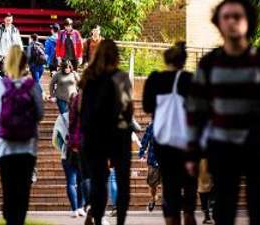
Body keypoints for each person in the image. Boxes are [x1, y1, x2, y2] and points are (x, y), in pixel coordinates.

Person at [187, 0, 260, 225]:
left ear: (249, 22)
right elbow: (196, 110)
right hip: (222, 145)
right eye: (225, 17)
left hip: (258, 144)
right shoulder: (209, 63)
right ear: (218, 23)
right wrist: (192, 151)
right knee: (224, 208)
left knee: (259, 208)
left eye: (237, 16)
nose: (231, 22)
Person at [0, 45, 44, 225]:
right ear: (24, 64)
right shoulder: (32, 86)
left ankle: (10, 218)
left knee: (9, 188)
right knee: (23, 189)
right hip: (28, 145)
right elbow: (40, 113)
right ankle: (18, 219)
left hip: (5, 146)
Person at [143, 42, 197, 225]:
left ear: (166, 59)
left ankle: (172, 216)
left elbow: (147, 106)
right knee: (189, 185)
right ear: (184, 60)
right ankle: (189, 212)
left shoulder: (155, 79)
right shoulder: (192, 80)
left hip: (164, 142)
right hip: (188, 142)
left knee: (170, 187)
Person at [80, 39, 133, 225]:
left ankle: (96, 215)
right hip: (118, 135)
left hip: (94, 136)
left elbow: (83, 111)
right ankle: (120, 220)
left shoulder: (88, 78)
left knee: (98, 182)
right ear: (116, 56)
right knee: (122, 181)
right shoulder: (121, 77)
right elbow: (127, 109)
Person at [52, 109, 86, 218]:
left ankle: (74, 209)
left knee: (71, 182)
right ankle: (81, 207)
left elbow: (55, 138)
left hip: (67, 153)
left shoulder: (62, 117)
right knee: (82, 181)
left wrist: (62, 148)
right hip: (82, 152)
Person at [138, 122, 161, 213]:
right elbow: (145, 140)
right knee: (152, 184)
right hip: (153, 159)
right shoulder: (151, 127)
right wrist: (142, 152)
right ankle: (153, 198)